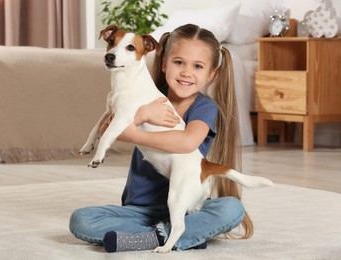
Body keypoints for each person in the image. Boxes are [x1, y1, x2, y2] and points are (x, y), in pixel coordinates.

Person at [69, 23, 253, 252]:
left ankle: (163, 234)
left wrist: (133, 131)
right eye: (178, 62)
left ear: (211, 74)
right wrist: (143, 114)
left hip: (187, 207)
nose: (186, 72)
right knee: (81, 219)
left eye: (197, 66)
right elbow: (111, 124)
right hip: (139, 209)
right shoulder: (145, 94)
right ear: (164, 63)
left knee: (231, 209)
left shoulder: (205, 108)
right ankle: (171, 234)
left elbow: (188, 142)